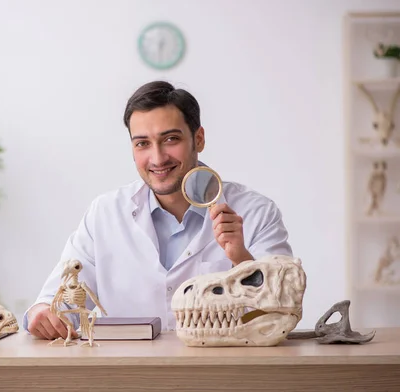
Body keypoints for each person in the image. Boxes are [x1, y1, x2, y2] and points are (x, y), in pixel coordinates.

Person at [23, 80, 293, 340]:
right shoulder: (104, 214)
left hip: (221, 378)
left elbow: (283, 313)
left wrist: (241, 259)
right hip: (126, 379)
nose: (157, 158)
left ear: (198, 139)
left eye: (171, 139)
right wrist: (43, 313)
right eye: (142, 143)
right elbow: (59, 302)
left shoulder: (257, 212)